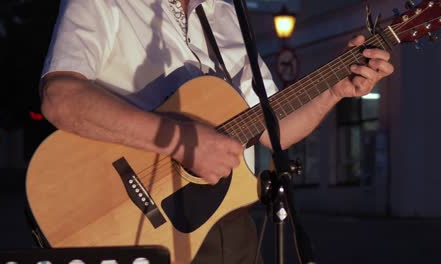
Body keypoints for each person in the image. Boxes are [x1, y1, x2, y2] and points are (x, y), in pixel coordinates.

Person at [39, 0, 394, 263]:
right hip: (134, 226)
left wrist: (334, 90)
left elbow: (273, 129)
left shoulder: (226, 16)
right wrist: (181, 141)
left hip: (228, 226)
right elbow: (61, 99)